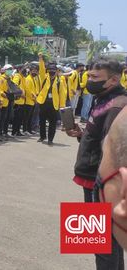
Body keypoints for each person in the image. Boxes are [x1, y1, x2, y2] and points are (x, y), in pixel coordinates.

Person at [67, 58, 127, 269]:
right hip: (92, 177)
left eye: (95, 77)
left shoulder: (117, 105)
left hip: (100, 182)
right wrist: (82, 135)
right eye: (88, 76)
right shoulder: (102, 98)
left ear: (113, 79)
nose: (89, 81)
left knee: (102, 243)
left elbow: (112, 148)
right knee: (106, 241)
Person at [95, 107, 127, 256]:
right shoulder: (101, 101)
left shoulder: (116, 105)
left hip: (91, 183)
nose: (90, 82)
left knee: (102, 248)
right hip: (84, 176)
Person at [36, 54, 66, 145]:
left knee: (52, 123)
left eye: (53, 71)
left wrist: (62, 106)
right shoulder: (44, 77)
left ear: (56, 71)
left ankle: (50, 139)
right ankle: (42, 136)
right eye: (50, 71)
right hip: (43, 103)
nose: (51, 73)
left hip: (54, 104)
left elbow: (62, 94)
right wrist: (41, 59)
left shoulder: (60, 81)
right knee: (42, 121)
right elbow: (41, 69)